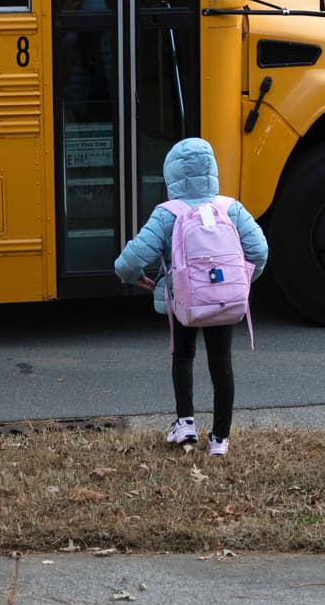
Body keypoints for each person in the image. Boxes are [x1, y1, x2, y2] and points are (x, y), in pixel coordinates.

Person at [114, 138, 267, 457]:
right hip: (224, 301)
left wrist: (134, 278)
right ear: (212, 170)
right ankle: (220, 440)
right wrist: (240, 283)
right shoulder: (230, 207)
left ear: (171, 175)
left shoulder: (167, 214)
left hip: (184, 300)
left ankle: (185, 422)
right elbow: (259, 251)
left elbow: (130, 261)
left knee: (183, 356)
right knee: (221, 365)